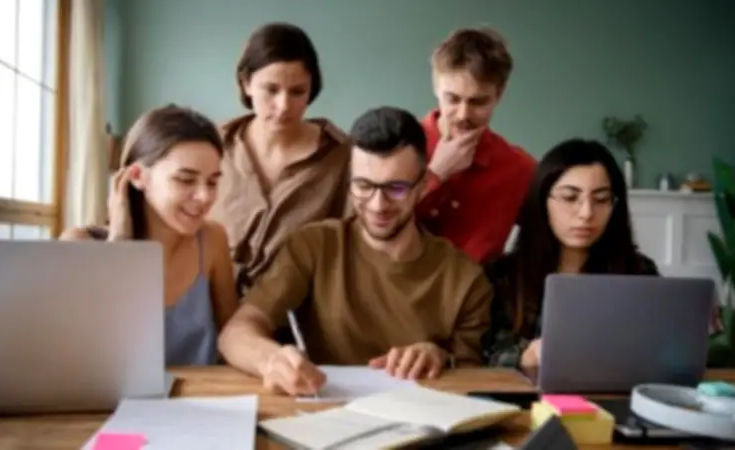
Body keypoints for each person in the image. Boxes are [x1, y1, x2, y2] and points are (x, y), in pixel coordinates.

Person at [218, 106, 492, 396]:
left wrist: (439, 357)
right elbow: (235, 333)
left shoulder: (465, 279)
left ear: (423, 186)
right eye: (363, 186)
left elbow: (472, 380)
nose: (377, 205)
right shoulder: (314, 246)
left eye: (396, 188)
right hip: (321, 414)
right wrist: (270, 359)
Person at [60, 105, 238, 366]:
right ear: (137, 176)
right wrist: (119, 243)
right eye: (186, 180)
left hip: (202, 399)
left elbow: (234, 337)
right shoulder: (80, 244)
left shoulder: (212, 240)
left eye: (212, 182)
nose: (205, 197)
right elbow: (80, 358)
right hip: (113, 404)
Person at [483, 138, 660, 372]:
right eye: (569, 197)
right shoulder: (502, 275)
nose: (586, 213)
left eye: (601, 199)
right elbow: (485, 353)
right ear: (542, 200)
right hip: (529, 402)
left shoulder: (639, 272)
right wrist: (528, 355)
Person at [209, 22, 351, 294]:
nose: (284, 105)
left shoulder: (341, 155)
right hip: (205, 305)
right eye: (271, 90)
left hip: (293, 314)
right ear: (246, 84)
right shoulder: (213, 144)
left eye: (297, 92)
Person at [417, 27, 537, 264]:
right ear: (436, 88)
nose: (463, 114)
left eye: (478, 102)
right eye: (452, 99)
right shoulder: (397, 147)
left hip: (480, 296)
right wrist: (436, 174)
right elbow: (371, 230)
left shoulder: (520, 169)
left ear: (499, 95)